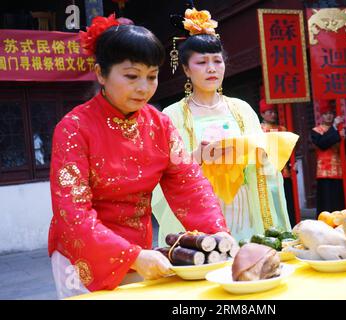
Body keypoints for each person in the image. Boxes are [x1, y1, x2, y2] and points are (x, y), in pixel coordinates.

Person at [48, 14, 231, 299]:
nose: (144, 87)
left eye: (152, 76)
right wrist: (130, 255)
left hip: (141, 249)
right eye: (132, 76)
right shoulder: (74, 128)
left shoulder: (159, 125)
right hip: (86, 251)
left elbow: (189, 185)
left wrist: (218, 234)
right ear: (100, 74)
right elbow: (72, 214)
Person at [152, 7, 291, 244]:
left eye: (217, 61)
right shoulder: (172, 114)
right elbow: (162, 169)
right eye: (202, 62)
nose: (211, 68)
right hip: (200, 205)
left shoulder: (241, 108)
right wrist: (197, 156)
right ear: (186, 69)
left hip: (243, 201)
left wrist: (258, 152)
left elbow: (264, 158)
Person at [311, 100, 346, 215]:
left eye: (330, 113)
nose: (328, 116)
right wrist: (334, 128)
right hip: (325, 173)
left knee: (343, 203)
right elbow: (323, 144)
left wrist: (344, 138)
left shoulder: (341, 129)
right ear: (321, 116)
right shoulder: (316, 131)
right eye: (325, 114)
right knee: (327, 205)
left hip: (342, 171)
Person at [260, 99, 296, 226]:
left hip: (284, 171)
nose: (273, 115)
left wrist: (293, 163)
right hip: (267, 171)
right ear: (263, 114)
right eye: (269, 112)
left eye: (274, 112)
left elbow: (289, 149)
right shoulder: (259, 129)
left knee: (287, 200)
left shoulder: (282, 129)